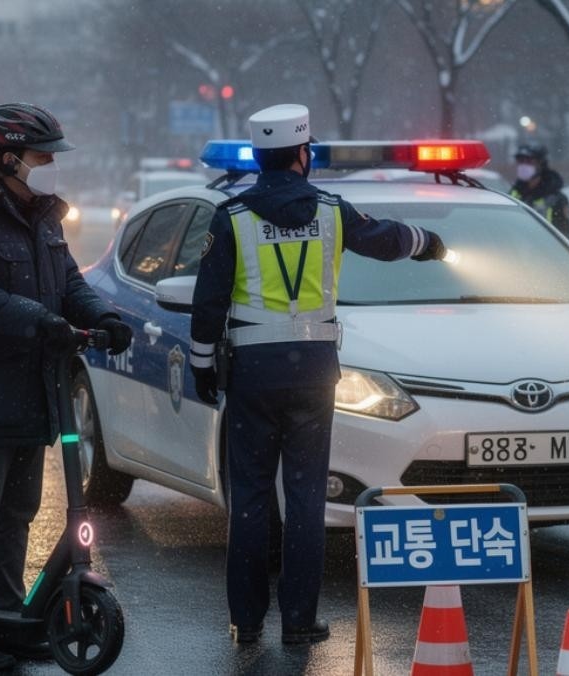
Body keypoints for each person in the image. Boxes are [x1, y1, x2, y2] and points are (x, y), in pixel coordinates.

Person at [190, 104, 448, 646]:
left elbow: (208, 300)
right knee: (306, 498)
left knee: (252, 497)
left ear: (261, 159)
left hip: (253, 373)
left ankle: (247, 619)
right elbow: (385, 239)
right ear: (303, 156)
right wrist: (428, 242)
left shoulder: (232, 215)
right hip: (312, 372)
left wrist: (201, 365)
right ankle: (300, 621)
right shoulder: (331, 211)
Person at [0, 103, 132, 671]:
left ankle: (11, 615)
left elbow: (69, 283)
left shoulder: (42, 218)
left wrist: (106, 316)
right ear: (7, 157)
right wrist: (37, 319)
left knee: (19, 508)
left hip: (32, 388)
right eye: (41, 157)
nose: (48, 167)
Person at [510, 143, 569, 239]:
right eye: (521, 161)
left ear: (541, 164)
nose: (524, 165)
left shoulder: (557, 199)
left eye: (529, 161)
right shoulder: (513, 195)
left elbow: (565, 236)